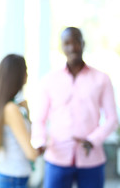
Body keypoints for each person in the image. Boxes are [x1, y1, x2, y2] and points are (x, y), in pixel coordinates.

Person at [31, 27, 119, 188]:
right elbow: (39, 119)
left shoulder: (102, 79)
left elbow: (112, 119)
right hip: (57, 158)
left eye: (76, 42)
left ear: (83, 44)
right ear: (62, 47)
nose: (72, 47)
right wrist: (39, 141)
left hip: (92, 159)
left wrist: (93, 140)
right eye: (67, 43)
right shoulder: (49, 80)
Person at [0, 54, 40, 188]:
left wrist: (27, 114)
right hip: (14, 179)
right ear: (17, 76)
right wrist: (43, 149)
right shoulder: (11, 109)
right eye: (25, 70)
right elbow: (30, 153)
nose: (27, 75)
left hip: (8, 175)